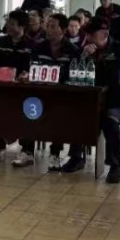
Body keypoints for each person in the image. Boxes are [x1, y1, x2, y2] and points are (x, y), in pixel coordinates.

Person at [59, 19, 120, 183]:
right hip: (91, 100)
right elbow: (69, 74)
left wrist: (96, 65)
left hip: (117, 101)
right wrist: (83, 57)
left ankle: (115, 166)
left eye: (92, 35)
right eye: (88, 35)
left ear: (104, 34)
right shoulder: (84, 49)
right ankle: (76, 158)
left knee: (110, 120)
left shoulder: (119, 51)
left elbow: (115, 79)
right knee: (77, 115)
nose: (89, 38)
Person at [33, 13, 82, 171]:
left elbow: (74, 76)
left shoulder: (72, 50)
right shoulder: (39, 47)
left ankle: (55, 153)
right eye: (47, 26)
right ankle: (26, 150)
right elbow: (32, 69)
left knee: (60, 112)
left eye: (53, 26)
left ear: (63, 29)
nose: (48, 30)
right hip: (41, 93)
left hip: (63, 96)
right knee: (27, 105)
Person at [0, 10, 36, 163]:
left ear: (22, 27)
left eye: (12, 24)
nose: (8, 26)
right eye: (8, 22)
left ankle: (27, 150)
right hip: (1, 89)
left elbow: (36, 68)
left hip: (24, 91)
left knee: (30, 110)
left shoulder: (32, 45)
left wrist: (27, 75)